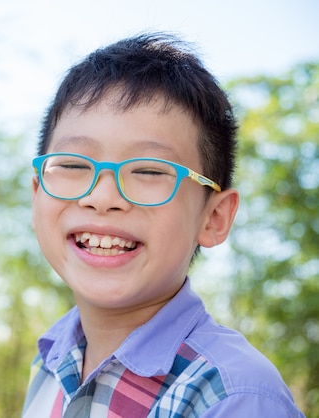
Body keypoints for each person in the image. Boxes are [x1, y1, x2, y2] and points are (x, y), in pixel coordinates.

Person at [21, 33, 305, 417]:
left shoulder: (234, 397)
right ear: (37, 193)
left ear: (214, 218)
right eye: (73, 165)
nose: (103, 197)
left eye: (150, 170)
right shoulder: (51, 357)